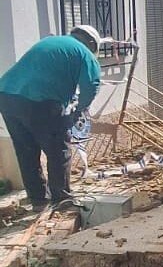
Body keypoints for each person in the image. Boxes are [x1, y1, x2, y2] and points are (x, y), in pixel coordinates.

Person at [0, 25, 102, 211]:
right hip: (40, 101)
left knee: (26, 151)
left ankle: (38, 200)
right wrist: (78, 110)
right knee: (58, 150)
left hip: (7, 96)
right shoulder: (85, 53)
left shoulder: (50, 42)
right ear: (91, 44)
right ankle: (61, 199)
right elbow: (92, 85)